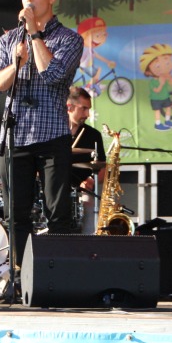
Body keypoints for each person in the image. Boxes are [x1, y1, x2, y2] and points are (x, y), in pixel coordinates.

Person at [0, 0, 83, 267]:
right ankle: (20, 276)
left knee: (58, 213)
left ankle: (58, 276)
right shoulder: (8, 40)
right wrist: (16, 65)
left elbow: (53, 75)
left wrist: (35, 35)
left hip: (52, 136)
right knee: (15, 215)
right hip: (15, 136)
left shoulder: (69, 39)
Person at [66, 86, 107, 234]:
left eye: (88, 109)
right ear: (69, 107)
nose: (87, 114)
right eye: (83, 109)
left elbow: (103, 168)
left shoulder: (93, 135)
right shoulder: (54, 132)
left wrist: (91, 181)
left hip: (82, 192)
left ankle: (90, 243)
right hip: (54, 190)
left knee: (90, 203)